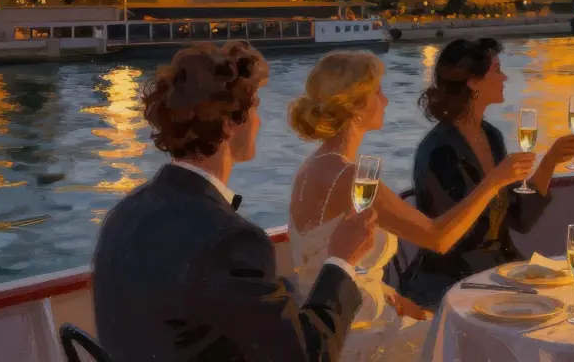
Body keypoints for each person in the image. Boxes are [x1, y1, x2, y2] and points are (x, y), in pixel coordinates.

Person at [93, 41, 375, 362]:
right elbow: (308, 356)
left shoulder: (125, 214)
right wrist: (341, 260)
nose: (259, 122)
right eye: (255, 108)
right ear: (229, 123)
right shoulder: (231, 241)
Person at [286, 51, 537, 360]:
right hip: (357, 334)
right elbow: (438, 238)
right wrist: (494, 181)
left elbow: (322, 261)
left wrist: (390, 294)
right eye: (378, 92)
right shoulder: (350, 176)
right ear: (356, 106)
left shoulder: (311, 168)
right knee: (486, 339)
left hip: (341, 318)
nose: (386, 101)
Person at [400, 38, 574, 308]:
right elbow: (454, 237)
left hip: (498, 271)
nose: (505, 77)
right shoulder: (439, 151)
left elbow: (520, 219)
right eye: (497, 70)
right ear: (473, 82)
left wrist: (550, 162)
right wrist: (496, 179)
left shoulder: (491, 136)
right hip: (454, 280)